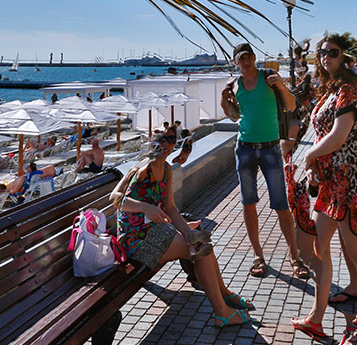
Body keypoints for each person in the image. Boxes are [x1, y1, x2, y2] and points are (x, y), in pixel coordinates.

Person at [294, 34, 357, 345]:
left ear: (345, 56)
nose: (325, 57)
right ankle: (316, 319)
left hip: (346, 178)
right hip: (333, 179)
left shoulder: (350, 89)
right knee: (315, 249)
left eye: (332, 53)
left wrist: (309, 155)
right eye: (321, 53)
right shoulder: (332, 88)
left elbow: (339, 134)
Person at [113, 130, 250, 328]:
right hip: (134, 239)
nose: (165, 143)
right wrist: (144, 207)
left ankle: (225, 295)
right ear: (151, 141)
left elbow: (170, 208)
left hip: (154, 231)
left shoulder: (167, 169)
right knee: (199, 249)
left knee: (200, 241)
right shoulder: (144, 167)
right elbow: (115, 199)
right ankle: (222, 312)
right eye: (160, 138)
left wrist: (188, 232)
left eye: (170, 139)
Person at [221, 42, 306, 279]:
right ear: (235, 61)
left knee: (281, 205)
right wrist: (224, 102)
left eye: (248, 57)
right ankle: (258, 255)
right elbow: (235, 115)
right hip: (245, 148)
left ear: (254, 57)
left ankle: (294, 256)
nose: (245, 61)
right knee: (248, 203)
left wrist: (280, 85)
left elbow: (291, 105)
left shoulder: (269, 78)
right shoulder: (234, 84)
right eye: (241, 58)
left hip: (270, 149)